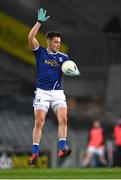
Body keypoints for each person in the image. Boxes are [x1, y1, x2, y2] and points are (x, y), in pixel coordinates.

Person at [28, 8, 80, 165]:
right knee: (39, 121)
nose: (58, 44)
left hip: (57, 92)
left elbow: (70, 68)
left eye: (59, 42)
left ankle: (62, 148)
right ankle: (35, 154)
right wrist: (39, 22)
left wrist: (74, 71)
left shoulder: (64, 57)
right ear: (48, 42)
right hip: (42, 92)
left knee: (63, 119)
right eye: (56, 42)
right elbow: (31, 37)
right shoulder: (40, 52)